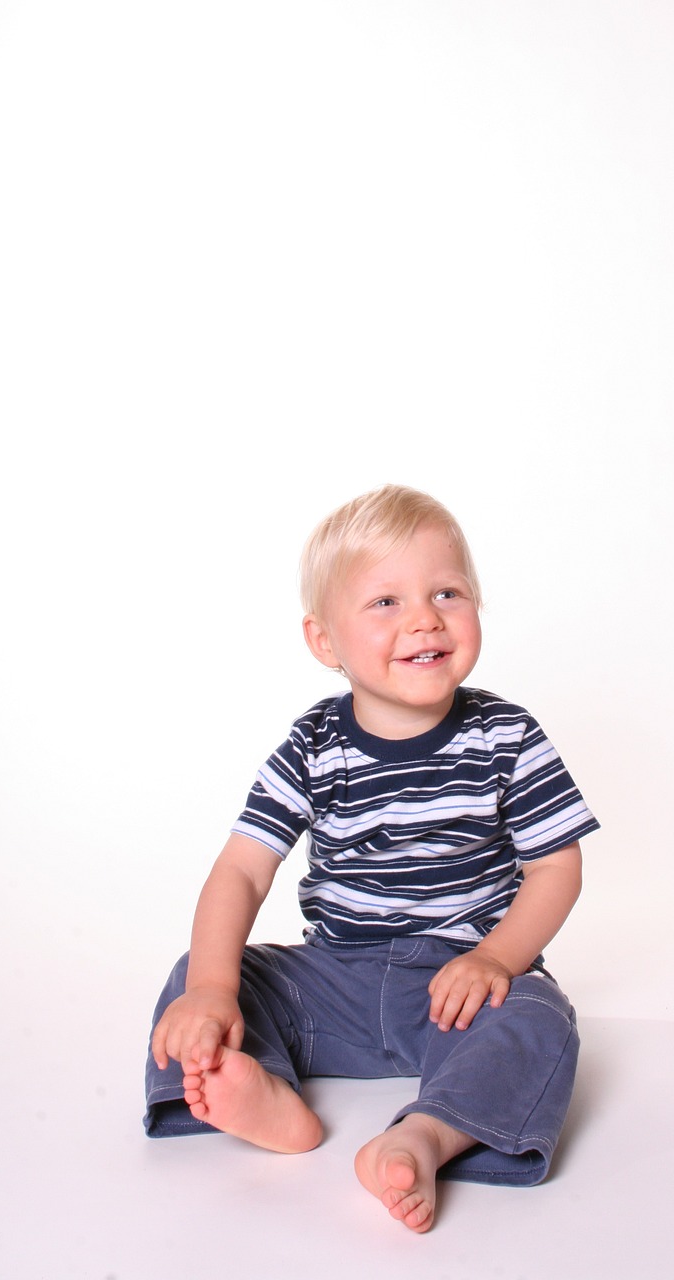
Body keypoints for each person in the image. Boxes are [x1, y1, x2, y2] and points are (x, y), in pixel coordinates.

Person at [144, 483, 599, 1233]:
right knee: (202, 976)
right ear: (324, 641)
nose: (424, 616)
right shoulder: (312, 745)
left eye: (446, 592)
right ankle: (266, 1098)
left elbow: (557, 868)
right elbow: (242, 870)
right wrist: (213, 990)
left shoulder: (505, 737)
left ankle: (425, 1132)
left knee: (542, 1016)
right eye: (385, 602)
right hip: (334, 982)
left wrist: (497, 959)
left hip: (458, 988)